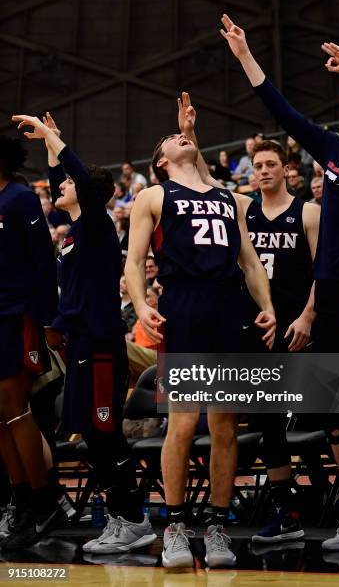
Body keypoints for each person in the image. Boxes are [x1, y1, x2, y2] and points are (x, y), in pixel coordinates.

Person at [221, 14, 339, 550]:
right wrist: (244, 56)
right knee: (332, 419)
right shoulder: (331, 151)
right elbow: (280, 109)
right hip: (330, 298)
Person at [125, 92, 276, 568]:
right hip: (185, 307)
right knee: (185, 423)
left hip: (229, 308)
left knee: (225, 424)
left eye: (183, 136)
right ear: (162, 162)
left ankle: (217, 527)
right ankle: (173, 524)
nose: (181, 139)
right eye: (173, 140)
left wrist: (267, 305)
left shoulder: (230, 199)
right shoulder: (153, 196)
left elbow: (249, 260)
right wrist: (140, 304)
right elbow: (133, 261)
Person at [11, 112, 156, 554]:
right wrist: (49, 149)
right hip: (79, 345)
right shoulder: (72, 232)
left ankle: (132, 517)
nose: (59, 188)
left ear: (88, 193)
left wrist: (55, 139)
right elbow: (66, 176)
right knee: (92, 434)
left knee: (103, 431)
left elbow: (77, 176)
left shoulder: (95, 226)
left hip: (101, 343)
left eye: (67, 185)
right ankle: (122, 516)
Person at [237, 139, 320, 544]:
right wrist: (189, 134)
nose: (264, 170)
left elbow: (325, 273)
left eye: (271, 164)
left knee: (331, 419)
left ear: (287, 169)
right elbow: (197, 179)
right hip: (260, 333)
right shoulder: (243, 209)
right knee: (268, 424)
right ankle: (286, 513)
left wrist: (308, 316)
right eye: (258, 165)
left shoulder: (308, 211)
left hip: (299, 329)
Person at [0, 135, 62, 551]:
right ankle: (19, 500)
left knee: (15, 409)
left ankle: (44, 503)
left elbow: (43, 262)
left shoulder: (21, 199)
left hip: (16, 315)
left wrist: (49, 321)